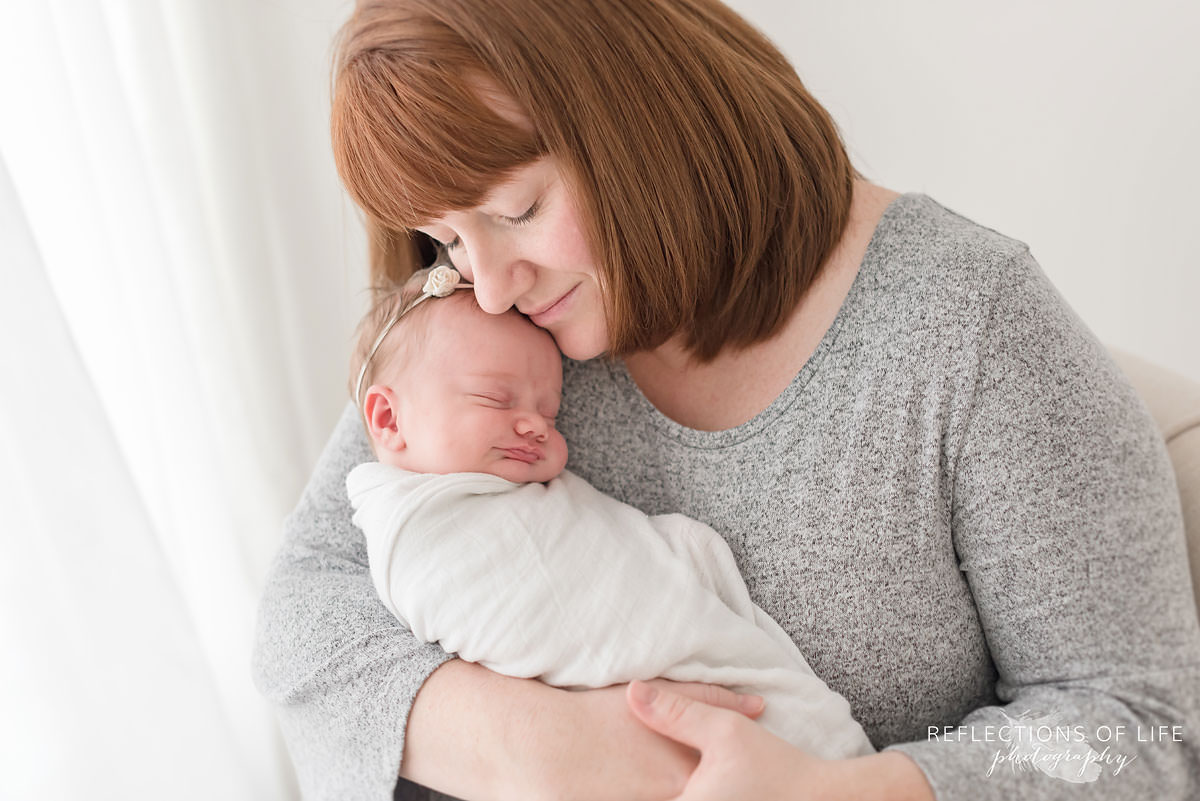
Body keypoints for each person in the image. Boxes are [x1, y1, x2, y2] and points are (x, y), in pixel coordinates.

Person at [252, 1, 1200, 799]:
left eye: (516, 211)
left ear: (639, 113)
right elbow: (303, 615)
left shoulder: (971, 329)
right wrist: (561, 750)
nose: (489, 282)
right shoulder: (496, 335)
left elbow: (1141, 728)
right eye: (448, 240)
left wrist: (855, 790)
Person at [344, 264, 876, 761]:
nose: (535, 425)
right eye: (496, 401)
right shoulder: (417, 528)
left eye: (550, 412)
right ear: (388, 419)